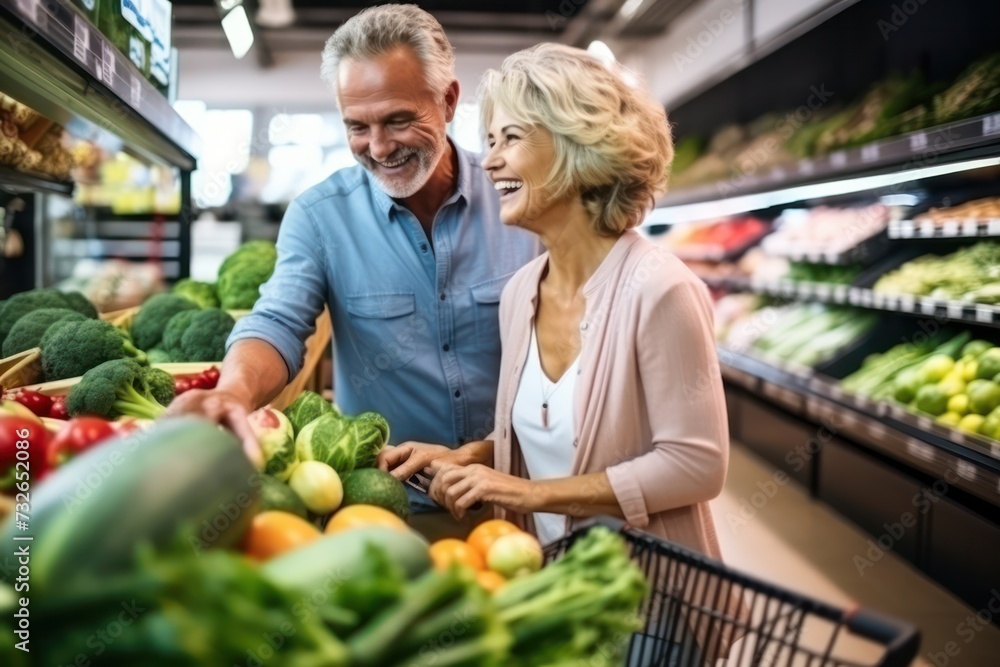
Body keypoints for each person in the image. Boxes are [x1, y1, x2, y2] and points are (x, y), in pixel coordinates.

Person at [168, 5, 538, 514]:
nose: (380, 147)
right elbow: (277, 320)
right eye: (357, 127)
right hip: (388, 503)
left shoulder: (521, 200)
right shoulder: (320, 218)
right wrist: (233, 392)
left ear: (449, 100)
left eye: (399, 120)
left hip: (526, 492)